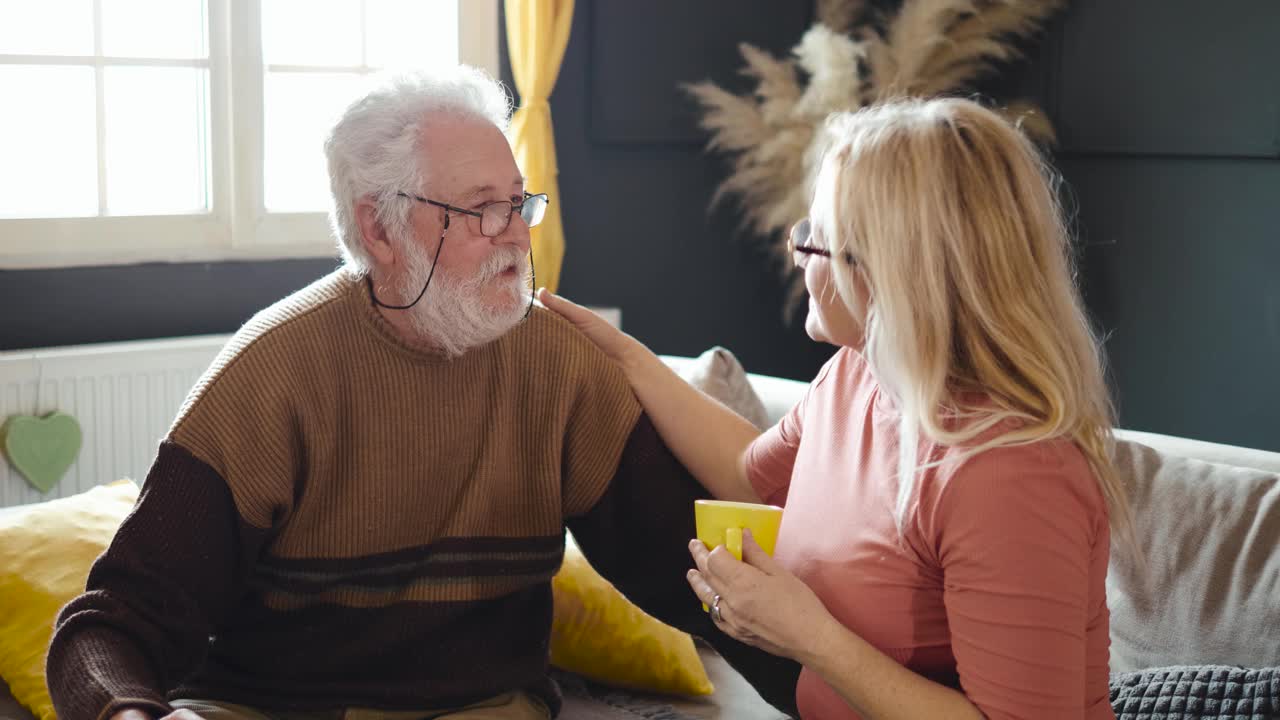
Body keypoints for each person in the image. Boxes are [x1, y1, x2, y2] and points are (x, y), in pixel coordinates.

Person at [45, 66, 797, 720]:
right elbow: (111, 626)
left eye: (519, 201)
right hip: (266, 706)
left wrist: (838, 686)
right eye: (480, 209)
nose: (515, 235)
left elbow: (686, 569)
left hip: (479, 706)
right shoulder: (270, 375)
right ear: (379, 227)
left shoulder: (560, 365)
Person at [541, 97, 1130, 720]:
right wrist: (629, 363)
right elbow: (749, 474)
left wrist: (813, 639)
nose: (798, 255)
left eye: (814, 241)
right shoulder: (859, 373)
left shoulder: (1010, 473)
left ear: (891, 273)